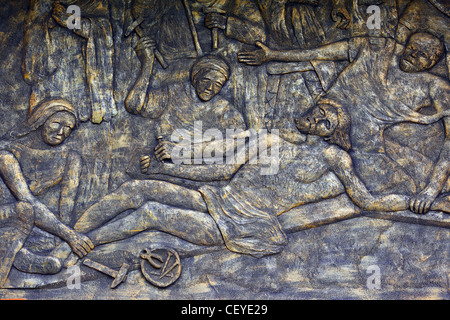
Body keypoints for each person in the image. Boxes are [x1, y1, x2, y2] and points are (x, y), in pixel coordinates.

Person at [70, 100, 439, 259]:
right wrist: (168, 168)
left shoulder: (334, 158)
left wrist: (419, 200)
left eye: (325, 117)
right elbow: (220, 170)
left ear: (329, 129)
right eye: (318, 109)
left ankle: (75, 248)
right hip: (218, 198)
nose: (316, 116)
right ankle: (68, 234)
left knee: (150, 214)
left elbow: (368, 201)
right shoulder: (271, 139)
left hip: (246, 224)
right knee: (137, 190)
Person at [239, 32, 450, 214]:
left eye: (422, 55)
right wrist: (272, 55)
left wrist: (432, 191)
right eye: (411, 48)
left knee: (388, 189)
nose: (412, 55)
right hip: (314, 125)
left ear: (433, 62)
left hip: (362, 149)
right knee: (275, 163)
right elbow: (319, 52)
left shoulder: (435, 87)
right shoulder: (376, 48)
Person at [0, 100, 94, 287]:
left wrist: (64, 242)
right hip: (8, 215)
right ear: (40, 120)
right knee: (24, 210)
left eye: (68, 127)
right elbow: (26, 199)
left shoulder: (70, 157)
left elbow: (66, 210)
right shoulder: (6, 153)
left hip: (35, 224)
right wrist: (70, 236)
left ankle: (22, 256)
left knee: (49, 237)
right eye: (56, 123)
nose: (61, 132)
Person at [125, 38, 246, 160]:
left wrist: (184, 150)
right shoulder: (172, 94)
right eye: (206, 80)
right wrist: (147, 64)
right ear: (195, 78)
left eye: (218, 84)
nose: (210, 88)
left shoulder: (223, 108)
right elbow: (133, 105)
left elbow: (241, 139)